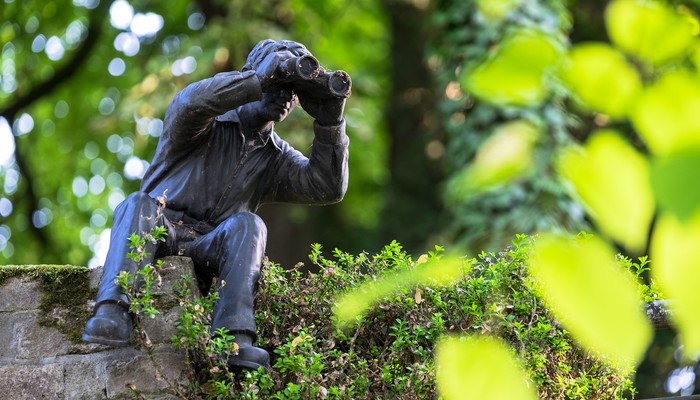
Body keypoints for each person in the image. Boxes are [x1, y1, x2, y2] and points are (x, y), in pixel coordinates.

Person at [82, 39, 350, 371]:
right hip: (157, 229)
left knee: (249, 224)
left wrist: (330, 124)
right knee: (137, 204)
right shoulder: (204, 119)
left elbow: (326, 186)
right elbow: (189, 103)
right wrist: (254, 82)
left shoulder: (275, 156)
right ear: (255, 75)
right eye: (280, 84)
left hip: (207, 248)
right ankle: (112, 310)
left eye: (294, 91)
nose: (285, 96)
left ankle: (233, 340)